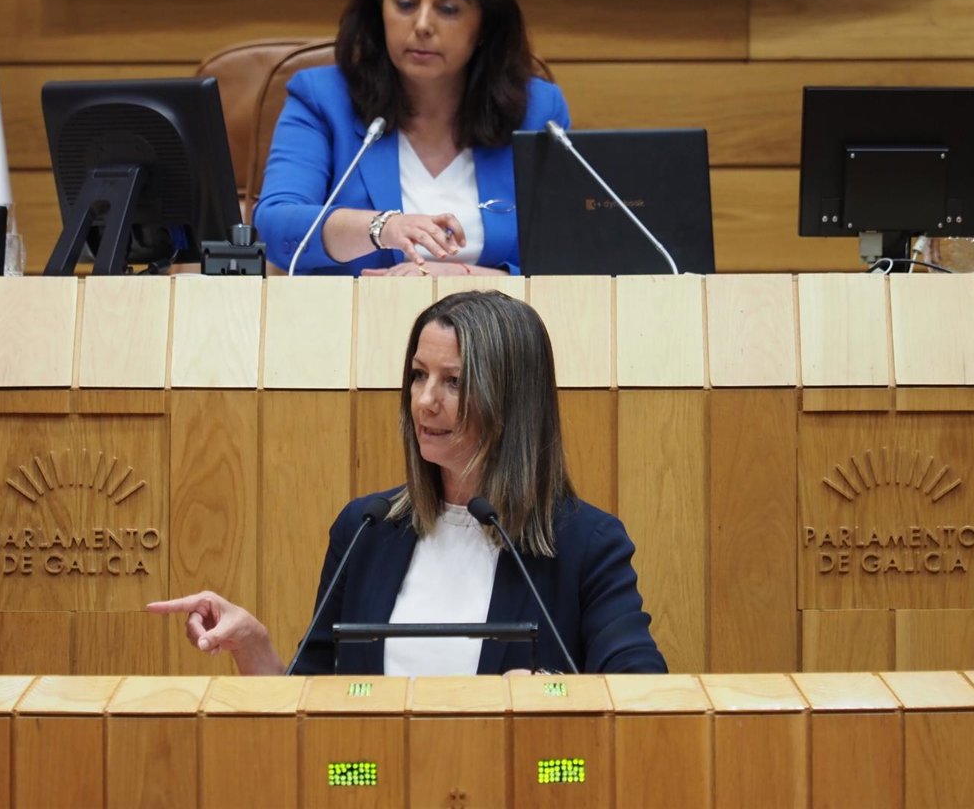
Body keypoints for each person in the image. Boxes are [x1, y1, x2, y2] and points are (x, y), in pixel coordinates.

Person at [148, 290, 666, 676]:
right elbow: (310, 716)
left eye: (453, 381)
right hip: (372, 779)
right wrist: (253, 646)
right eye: (419, 375)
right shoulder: (366, 529)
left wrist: (550, 693)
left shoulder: (585, 544)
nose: (424, 401)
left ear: (512, 402)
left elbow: (642, 693)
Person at [252, 0, 570, 277]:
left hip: (496, 314)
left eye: (448, 9)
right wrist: (383, 227)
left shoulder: (538, 110)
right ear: (380, 10)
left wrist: (464, 278)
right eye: (405, 3)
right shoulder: (323, 99)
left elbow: (568, 253)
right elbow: (276, 225)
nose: (422, 25)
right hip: (355, 311)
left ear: (485, 23)